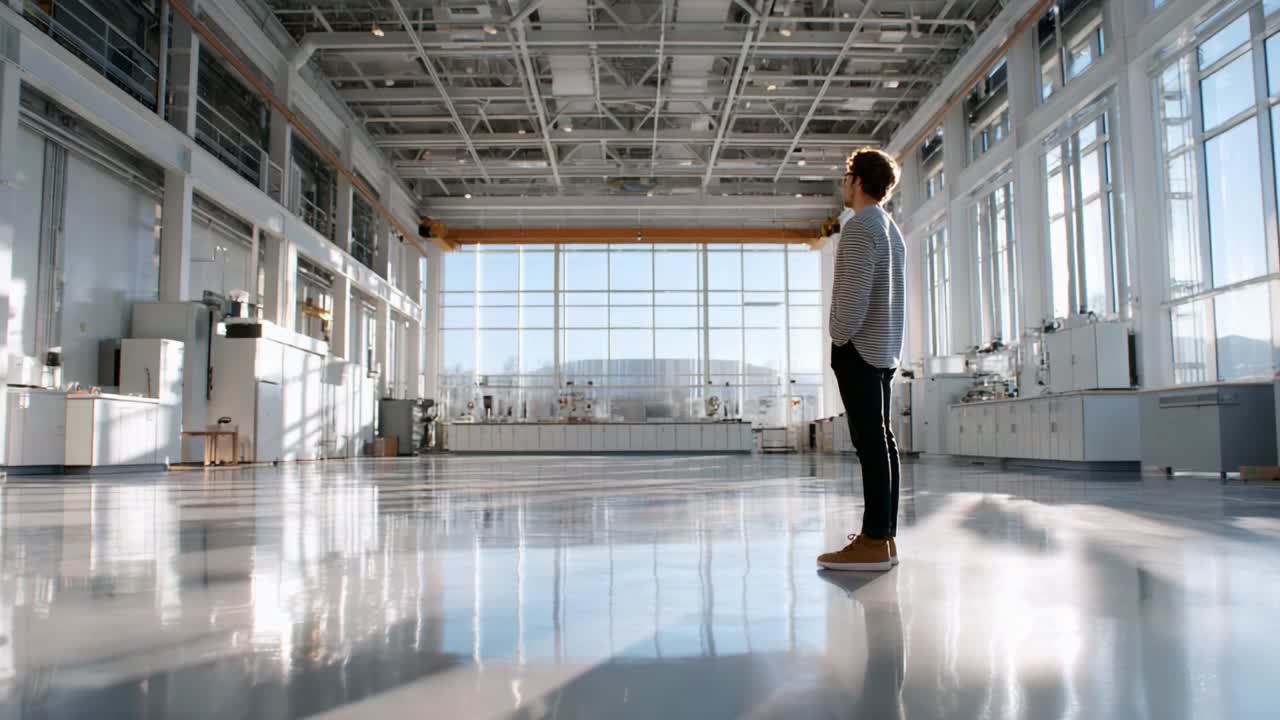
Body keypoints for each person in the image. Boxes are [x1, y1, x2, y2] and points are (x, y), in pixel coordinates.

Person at [817, 148, 905, 572]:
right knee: (883, 444)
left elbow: (852, 301)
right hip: (884, 349)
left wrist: (838, 336)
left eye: (845, 176)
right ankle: (883, 537)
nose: (842, 183)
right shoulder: (890, 227)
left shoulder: (858, 228)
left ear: (856, 182)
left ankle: (872, 542)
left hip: (859, 350)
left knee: (870, 446)